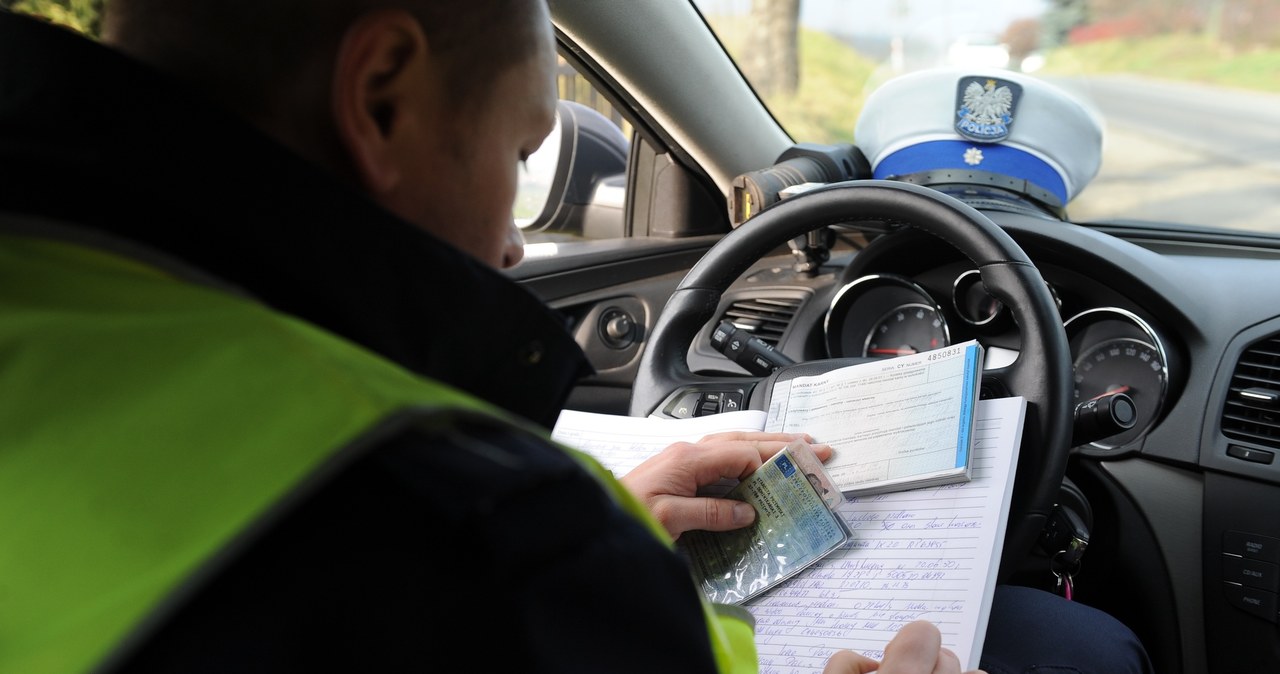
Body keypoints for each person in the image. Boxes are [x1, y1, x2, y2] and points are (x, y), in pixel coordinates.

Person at [0, 2, 1146, 673]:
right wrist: (562, 545)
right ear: (384, 96)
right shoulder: (481, 543)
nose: (510, 244)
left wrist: (608, 525)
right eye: (517, 156)